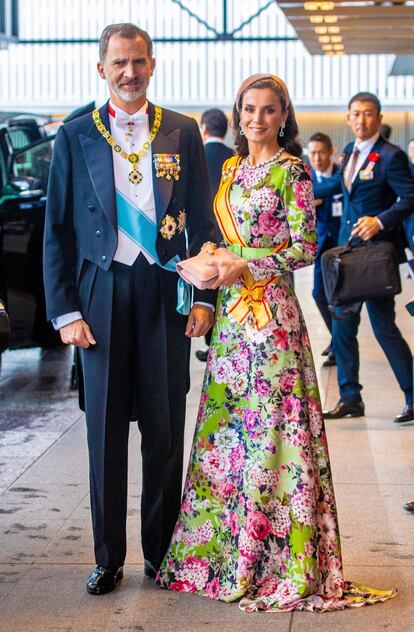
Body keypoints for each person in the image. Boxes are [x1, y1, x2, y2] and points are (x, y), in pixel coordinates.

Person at [156, 74, 396, 611]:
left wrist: (249, 264)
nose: (257, 119)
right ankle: (224, 553)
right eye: (249, 109)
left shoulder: (293, 171)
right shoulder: (230, 169)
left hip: (273, 320)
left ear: (283, 116)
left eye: (268, 111)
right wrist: (211, 261)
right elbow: (218, 233)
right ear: (238, 114)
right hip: (233, 322)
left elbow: (304, 246)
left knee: (272, 433)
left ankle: (277, 557)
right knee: (229, 433)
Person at [43, 22, 217, 595]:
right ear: (102, 69)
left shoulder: (183, 131)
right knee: (105, 434)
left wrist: (208, 298)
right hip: (101, 297)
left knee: (164, 432)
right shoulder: (74, 136)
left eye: (139, 61)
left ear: (152, 63)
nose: (130, 72)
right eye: (119, 63)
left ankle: (162, 555)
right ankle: (108, 557)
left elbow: (202, 216)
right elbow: (57, 233)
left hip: (165, 295)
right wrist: (66, 311)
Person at [314, 92, 414, 423]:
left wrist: (381, 220)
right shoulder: (349, 153)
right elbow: (340, 188)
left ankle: (413, 397)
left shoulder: (390, 156)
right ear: (348, 118)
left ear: (379, 118)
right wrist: (301, 190)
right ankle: (350, 397)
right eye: (355, 114)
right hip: (347, 254)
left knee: (384, 327)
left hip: (374, 258)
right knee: (342, 326)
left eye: (368, 114)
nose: (361, 120)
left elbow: (410, 196)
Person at [196, 108, 234, 362]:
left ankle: (212, 344)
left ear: (205, 129)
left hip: (205, 235)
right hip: (232, 236)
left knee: (209, 287)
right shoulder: (236, 158)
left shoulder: (196, 155)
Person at [307, 132, 341, 367]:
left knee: (341, 298)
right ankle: (337, 340)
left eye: (321, 152)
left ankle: (339, 345)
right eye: (312, 153)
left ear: (331, 152)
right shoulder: (306, 177)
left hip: (342, 244)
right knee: (319, 294)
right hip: (320, 245)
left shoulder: (342, 174)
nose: (316, 158)